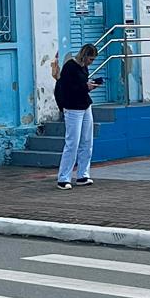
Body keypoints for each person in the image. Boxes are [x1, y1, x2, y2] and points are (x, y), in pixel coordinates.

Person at [54, 44, 100, 190]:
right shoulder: (70, 66)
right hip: (73, 108)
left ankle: (83, 175)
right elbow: (67, 88)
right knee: (72, 142)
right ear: (84, 55)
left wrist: (89, 86)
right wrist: (85, 87)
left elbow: (80, 85)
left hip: (85, 105)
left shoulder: (83, 67)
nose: (91, 62)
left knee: (87, 141)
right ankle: (63, 177)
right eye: (90, 59)